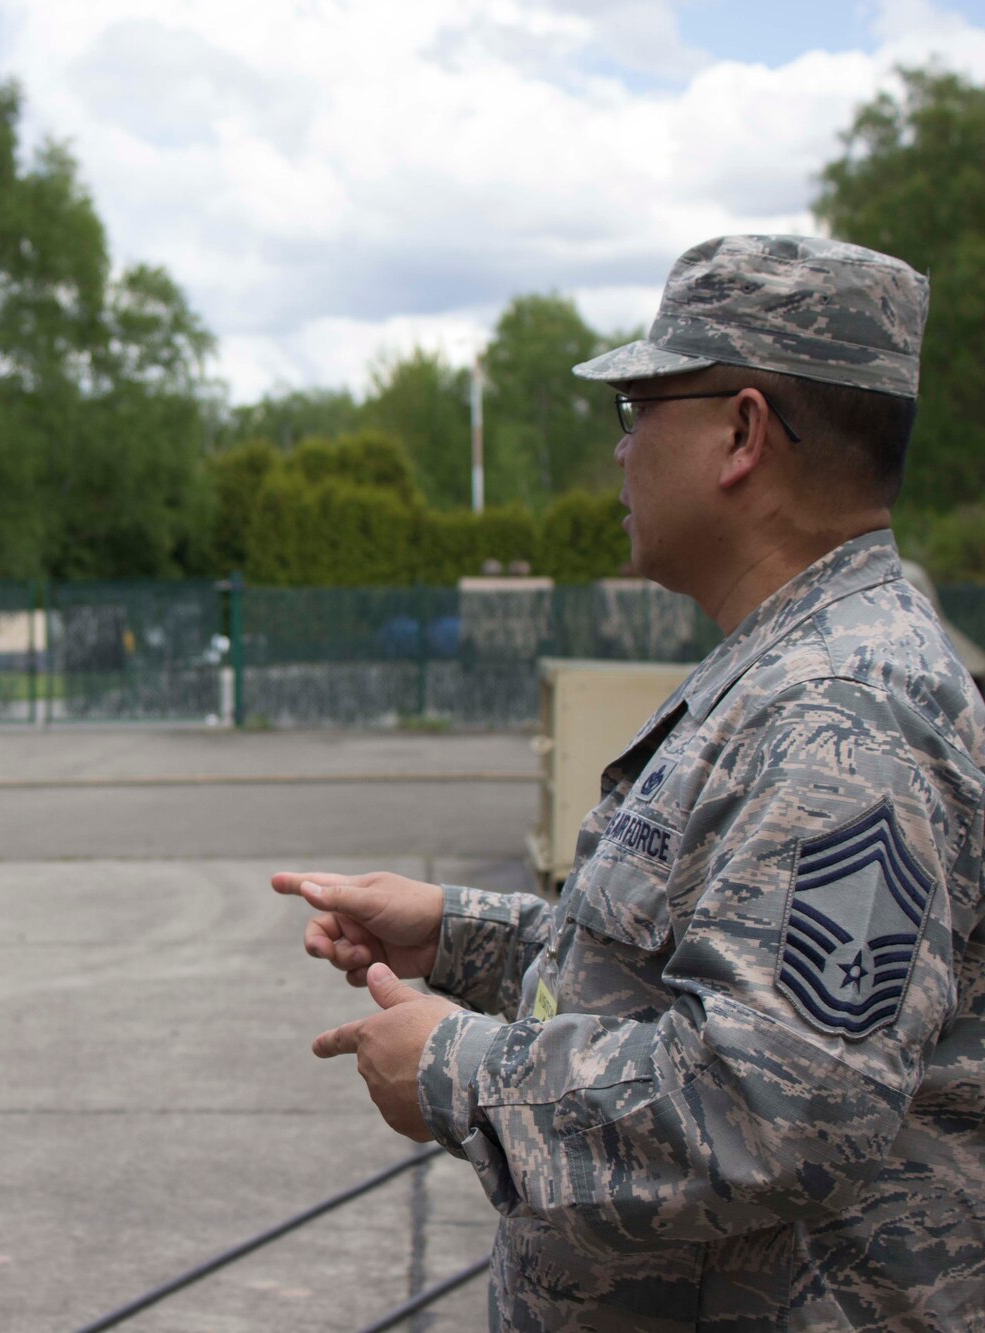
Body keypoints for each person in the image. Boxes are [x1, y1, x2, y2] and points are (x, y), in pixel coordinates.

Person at [277, 235, 984, 1330]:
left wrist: (456, 1069)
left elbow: (773, 1104)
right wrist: (459, 934)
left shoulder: (841, 713)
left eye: (637, 409)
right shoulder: (783, 672)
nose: (619, 454)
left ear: (740, 432)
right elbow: (674, 975)